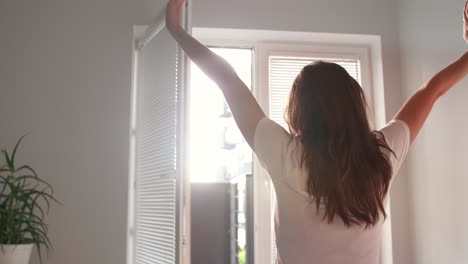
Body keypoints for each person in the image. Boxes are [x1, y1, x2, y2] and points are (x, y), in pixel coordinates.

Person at [166, 1, 468, 263]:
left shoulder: (288, 157)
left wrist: (176, 29)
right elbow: (432, 90)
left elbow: (227, 80)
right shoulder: (380, 157)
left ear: (301, 115)